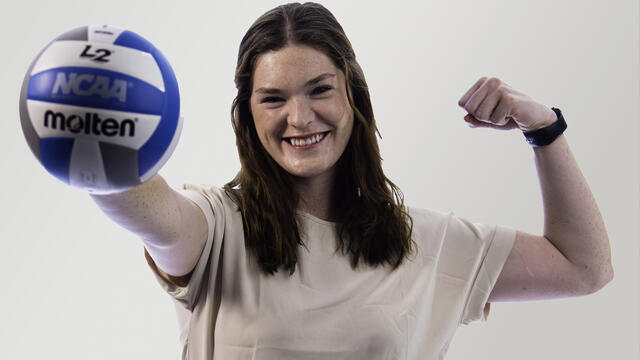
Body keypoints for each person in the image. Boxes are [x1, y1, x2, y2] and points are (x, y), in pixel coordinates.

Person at [91, 2, 613, 359]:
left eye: (319, 90)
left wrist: (544, 128)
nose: (299, 118)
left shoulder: (426, 244)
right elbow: (144, 209)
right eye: (273, 98)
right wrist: (87, 140)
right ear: (248, 115)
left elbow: (584, 268)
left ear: (352, 96)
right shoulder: (214, 227)